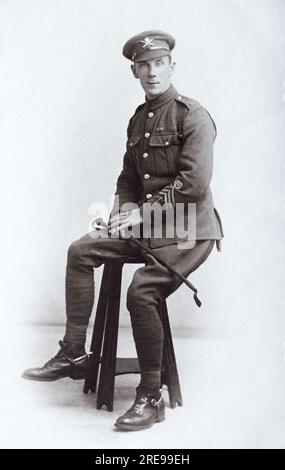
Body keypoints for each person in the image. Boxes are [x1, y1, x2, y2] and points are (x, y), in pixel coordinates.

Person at [22, 30, 223, 431]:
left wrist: (140, 216)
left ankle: (151, 397)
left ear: (171, 67)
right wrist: (120, 213)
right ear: (135, 71)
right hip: (149, 223)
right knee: (81, 251)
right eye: (144, 65)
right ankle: (74, 353)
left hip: (190, 230)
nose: (152, 72)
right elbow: (129, 177)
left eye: (159, 64)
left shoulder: (193, 116)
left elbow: (192, 185)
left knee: (142, 290)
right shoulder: (139, 118)